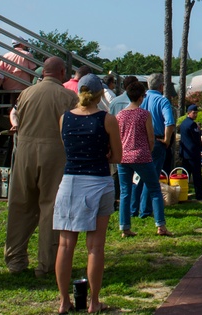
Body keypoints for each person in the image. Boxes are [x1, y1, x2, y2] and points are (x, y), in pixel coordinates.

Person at [53, 74, 123, 315]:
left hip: (70, 180)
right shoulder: (107, 119)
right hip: (98, 181)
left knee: (65, 244)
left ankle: (64, 301)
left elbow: (68, 149)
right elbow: (117, 156)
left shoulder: (65, 119)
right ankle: (94, 302)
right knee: (95, 247)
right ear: (100, 94)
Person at [4, 56, 76, 277]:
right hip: (55, 153)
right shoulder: (68, 97)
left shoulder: (26, 93)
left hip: (25, 152)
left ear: (43, 72)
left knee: (19, 205)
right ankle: (46, 264)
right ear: (62, 72)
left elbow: (15, 114)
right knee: (51, 208)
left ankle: (15, 259)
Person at [116, 81, 168, 238]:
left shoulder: (120, 115)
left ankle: (125, 227)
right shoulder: (144, 114)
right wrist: (149, 150)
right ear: (140, 97)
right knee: (154, 190)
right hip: (141, 155)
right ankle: (160, 225)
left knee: (125, 192)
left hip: (124, 156)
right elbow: (150, 137)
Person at [134, 75, 176, 217]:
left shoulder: (141, 100)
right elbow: (169, 122)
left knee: (138, 177)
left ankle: (134, 208)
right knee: (151, 178)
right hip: (156, 141)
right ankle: (145, 210)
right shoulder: (162, 100)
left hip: (139, 141)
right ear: (161, 86)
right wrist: (167, 139)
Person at [179, 104, 202, 199]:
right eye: (194, 113)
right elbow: (196, 138)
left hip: (185, 152)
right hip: (193, 153)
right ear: (188, 113)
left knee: (185, 175)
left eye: (196, 113)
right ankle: (199, 195)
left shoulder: (183, 123)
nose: (195, 115)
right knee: (196, 175)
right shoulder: (192, 124)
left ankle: (182, 193)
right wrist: (200, 148)